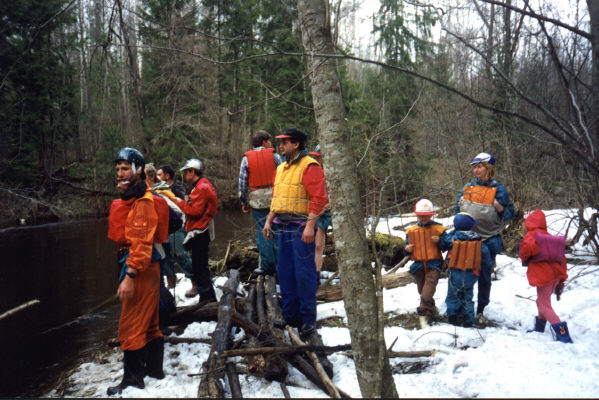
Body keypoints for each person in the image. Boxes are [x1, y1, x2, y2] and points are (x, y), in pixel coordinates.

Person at [106, 148, 164, 395]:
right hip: (145, 266)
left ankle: (133, 380)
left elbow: (141, 243)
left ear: (138, 170)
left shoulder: (143, 202)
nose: (120, 173)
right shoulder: (135, 198)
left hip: (140, 269)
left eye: (125, 169)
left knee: (130, 325)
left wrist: (130, 276)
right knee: (149, 322)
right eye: (118, 169)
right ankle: (155, 371)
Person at [263, 127, 328, 339]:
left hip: (300, 227)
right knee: (285, 272)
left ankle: (308, 320)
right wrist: (268, 220)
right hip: (282, 227)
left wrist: (310, 226)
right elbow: (278, 198)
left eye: (285, 142)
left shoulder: (310, 166)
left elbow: (319, 198)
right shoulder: (281, 168)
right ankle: (291, 317)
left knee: (304, 273)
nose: (281, 146)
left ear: (296, 144)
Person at [454, 152, 514, 319]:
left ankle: (481, 309)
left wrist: (499, 206)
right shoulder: (467, 188)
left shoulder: (499, 190)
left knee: (485, 277)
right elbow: (457, 211)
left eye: (479, 167)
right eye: (474, 167)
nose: (476, 170)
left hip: (489, 239)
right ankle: (463, 307)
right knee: (464, 273)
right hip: (467, 238)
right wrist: (459, 206)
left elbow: (509, 214)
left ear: (489, 168)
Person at [519, 209, 573, 343]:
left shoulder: (532, 235)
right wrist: (561, 278)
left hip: (543, 274)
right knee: (541, 301)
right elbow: (562, 259)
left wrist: (524, 255)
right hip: (555, 274)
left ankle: (563, 336)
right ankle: (539, 328)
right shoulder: (550, 237)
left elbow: (527, 250)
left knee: (544, 305)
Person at [238, 130, 282, 275]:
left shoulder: (246, 159)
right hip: (275, 198)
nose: (270, 143)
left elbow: (242, 183)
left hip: (257, 199)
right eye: (269, 141)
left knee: (263, 230)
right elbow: (283, 176)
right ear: (264, 142)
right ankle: (280, 266)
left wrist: (244, 202)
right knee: (276, 230)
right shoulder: (275, 156)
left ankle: (267, 267)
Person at [175, 158, 218, 303]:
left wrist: (179, 202)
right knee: (199, 265)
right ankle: (207, 297)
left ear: (193, 172)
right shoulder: (201, 185)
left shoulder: (201, 187)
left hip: (200, 230)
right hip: (201, 229)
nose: (185, 175)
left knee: (199, 266)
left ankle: (208, 300)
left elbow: (195, 211)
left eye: (186, 172)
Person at [404, 199, 452, 319]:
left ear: (431, 215)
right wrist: (407, 250)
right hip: (418, 266)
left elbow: (449, 245)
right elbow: (406, 250)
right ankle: (430, 310)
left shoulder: (438, 229)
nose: (423, 218)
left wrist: (440, 241)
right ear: (417, 215)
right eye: (421, 215)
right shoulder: (411, 231)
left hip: (434, 265)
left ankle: (424, 313)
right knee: (422, 291)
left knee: (426, 293)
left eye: (426, 215)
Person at [445, 212, 493, 327]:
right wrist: (487, 266)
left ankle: (452, 316)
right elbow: (486, 258)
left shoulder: (452, 239)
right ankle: (468, 319)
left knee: (453, 295)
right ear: (471, 226)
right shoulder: (478, 241)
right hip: (471, 275)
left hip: (454, 273)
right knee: (468, 296)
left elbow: (444, 242)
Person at [155, 165, 194, 291]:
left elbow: (180, 204)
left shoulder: (177, 189)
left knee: (180, 254)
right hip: (163, 226)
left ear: (167, 176)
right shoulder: (156, 189)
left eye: (159, 175)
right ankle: (171, 284)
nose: (156, 177)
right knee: (165, 256)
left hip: (177, 225)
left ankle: (196, 283)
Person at [308, 144, 332, 277]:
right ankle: (316, 274)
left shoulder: (333, 173)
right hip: (319, 211)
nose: (316, 160)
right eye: (316, 157)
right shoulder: (315, 172)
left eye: (319, 158)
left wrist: (328, 205)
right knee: (318, 245)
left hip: (332, 211)